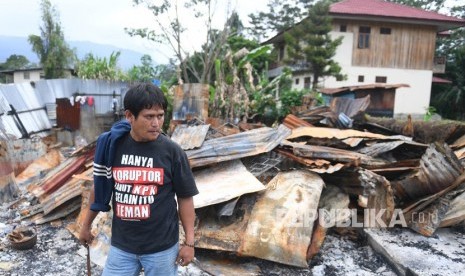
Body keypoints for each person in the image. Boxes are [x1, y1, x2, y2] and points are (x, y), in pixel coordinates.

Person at [79, 82, 199, 276]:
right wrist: (86, 226)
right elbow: (99, 188)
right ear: (129, 116)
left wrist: (189, 243)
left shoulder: (172, 152)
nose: (156, 123)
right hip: (122, 247)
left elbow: (185, 197)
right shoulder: (113, 147)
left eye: (160, 116)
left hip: (162, 249)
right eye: (149, 116)